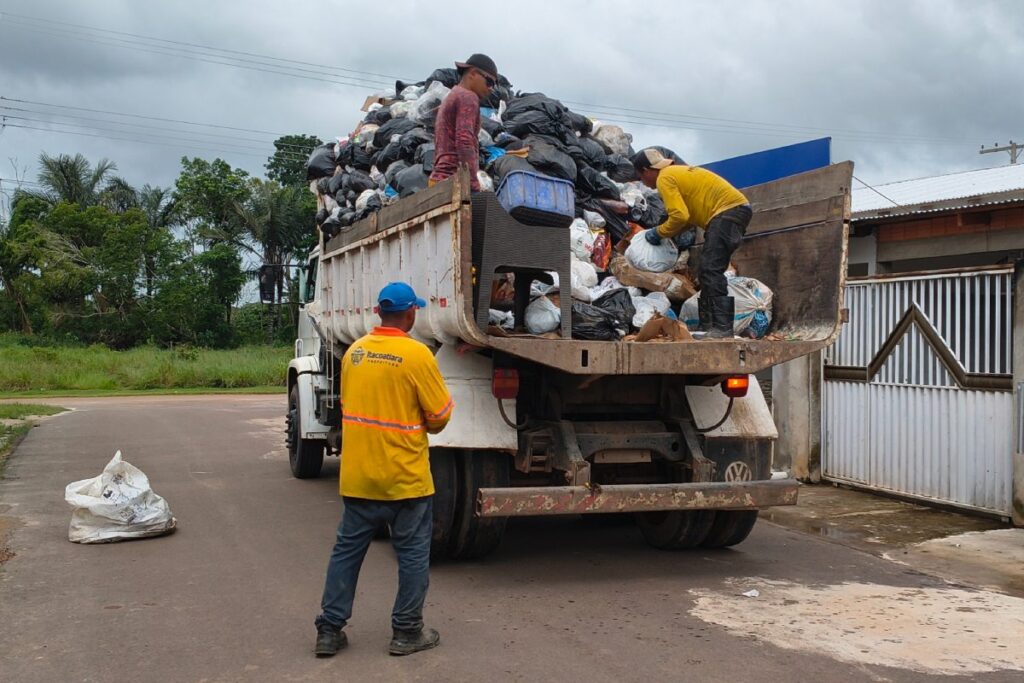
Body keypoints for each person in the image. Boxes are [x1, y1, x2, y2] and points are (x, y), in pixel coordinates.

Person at [314, 282, 454, 658]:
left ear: (379, 313)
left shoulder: (355, 354)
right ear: (411, 314)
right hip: (405, 481)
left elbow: (349, 407)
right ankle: (407, 632)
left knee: (346, 553)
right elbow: (439, 418)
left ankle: (329, 630)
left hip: (359, 477)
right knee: (411, 555)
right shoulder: (417, 355)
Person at [632, 148, 752, 339]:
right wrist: (666, 235)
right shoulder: (675, 173)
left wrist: (658, 233)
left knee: (711, 269)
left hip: (728, 212)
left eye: (640, 175)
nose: (642, 181)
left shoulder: (664, 178)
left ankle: (722, 329)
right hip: (732, 212)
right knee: (706, 271)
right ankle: (707, 326)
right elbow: (686, 220)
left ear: (647, 170)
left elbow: (679, 216)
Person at [428, 53, 499, 192]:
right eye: (489, 82)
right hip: (453, 183)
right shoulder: (468, 97)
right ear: (473, 73)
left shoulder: (453, 95)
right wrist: (473, 182)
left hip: (438, 180)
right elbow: (464, 140)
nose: (491, 89)